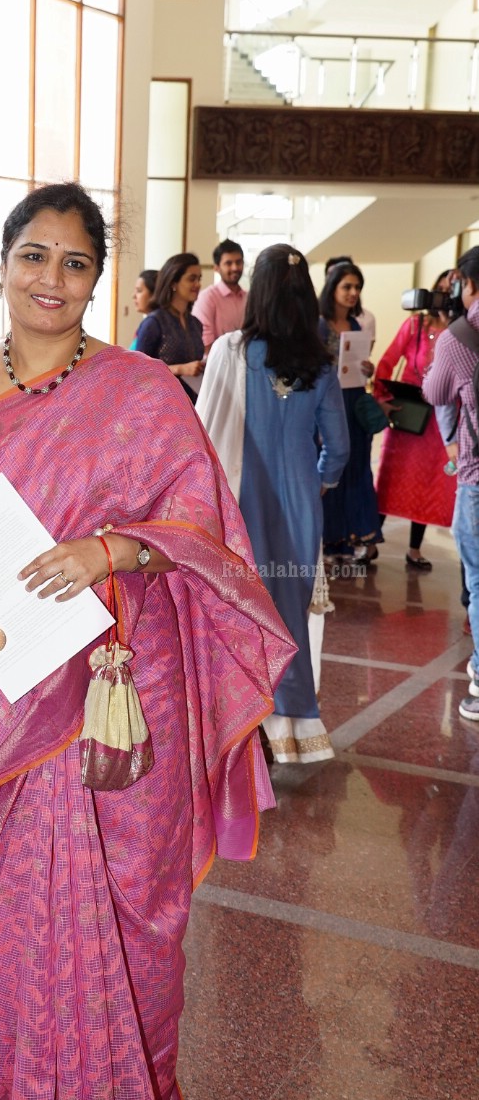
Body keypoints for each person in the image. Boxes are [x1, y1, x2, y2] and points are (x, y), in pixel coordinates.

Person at [0, 182, 294, 1100]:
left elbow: (205, 528)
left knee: (133, 916)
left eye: (74, 263)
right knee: (9, 914)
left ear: (99, 278)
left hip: (117, 690)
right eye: (33, 256)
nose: (51, 280)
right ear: (1, 261)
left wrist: (110, 552)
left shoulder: (139, 389)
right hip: (5, 687)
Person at [198, 245, 349, 763]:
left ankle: (240, 732)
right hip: (300, 510)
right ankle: (291, 735)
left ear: (256, 292)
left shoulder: (230, 351)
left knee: (239, 613)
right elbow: (340, 448)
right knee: (290, 617)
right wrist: (316, 483)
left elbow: (200, 434)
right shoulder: (321, 362)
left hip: (242, 508)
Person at [422, 247, 479, 720]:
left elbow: (437, 393)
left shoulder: (459, 336)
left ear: (466, 283)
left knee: (478, 580)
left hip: (478, 477)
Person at [374, 281, 455, 571]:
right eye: (441, 289)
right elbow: (387, 362)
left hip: (438, 418)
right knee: (390, 476)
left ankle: (415, 549)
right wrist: (382, 399)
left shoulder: (457, 331)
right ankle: (371, 543)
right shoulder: (413, 325)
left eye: (450, 291)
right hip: (406, 413)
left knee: (426, 480)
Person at [318, 261, 381, 565]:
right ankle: (330, 541)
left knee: (356, 468)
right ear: (333, 288)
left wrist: (367, 368)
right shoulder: (318, 325)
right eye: (347, 286)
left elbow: (358, 368)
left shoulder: (357, 326)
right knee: (332, 471)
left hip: (354, 401)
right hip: (329, 404)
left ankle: (352, 537)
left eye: (357, 287)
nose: (353, 292)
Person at [133, 251, 205, 401]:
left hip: (193, 406)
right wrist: (181, 369)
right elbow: (138, 372)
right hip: (161, 407)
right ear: (173, 283)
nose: (198, 284)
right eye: (192, 279)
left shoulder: (196, 324)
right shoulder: (154, 323)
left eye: (199, 278)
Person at [193, 238, 246, 352]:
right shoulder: (207, 297)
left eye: (238, 262)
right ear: (216, 268)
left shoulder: (250, 298)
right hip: (216, 365)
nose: (235, 268)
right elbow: (206, 344)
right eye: (228, 263)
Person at [127, 267, 158, 350]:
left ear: (154, 294)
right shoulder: (149, 323)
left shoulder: (151, 324)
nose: (133, 296)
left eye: (139, 291)